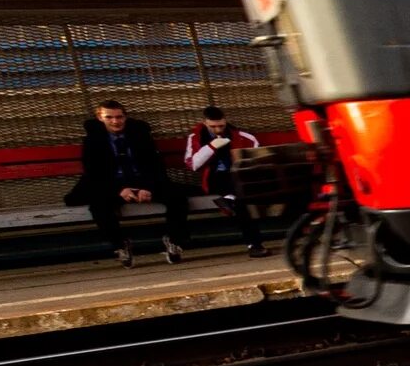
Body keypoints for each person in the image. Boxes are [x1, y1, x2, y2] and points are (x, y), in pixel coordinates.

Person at [65, 99, 189, 266]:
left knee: (178, 197)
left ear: (125, 117)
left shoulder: (140, 134)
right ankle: (120, 244)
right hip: (112, 184)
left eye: (119, 117)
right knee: (99, 205)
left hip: (142, 180)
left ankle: (174, 241)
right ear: (100, 118)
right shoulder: (93, 140)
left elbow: (155, 165)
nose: (115, 121)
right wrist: (119, 189)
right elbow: (94, 171)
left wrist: (147, 187)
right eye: (109, 117)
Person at [184, 105, 269, 256]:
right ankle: (254, 244)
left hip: (240, 177)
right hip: (214, 179)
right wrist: (211, 146)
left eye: (221, 126)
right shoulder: (195, 137)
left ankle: (229, 200)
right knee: (239, 197)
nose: (218, 130)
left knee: (240, 198)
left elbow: (257, 159)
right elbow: (193, 164)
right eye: (213, 126)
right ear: (204, 123)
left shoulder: (242, 136)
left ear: (226, 121)